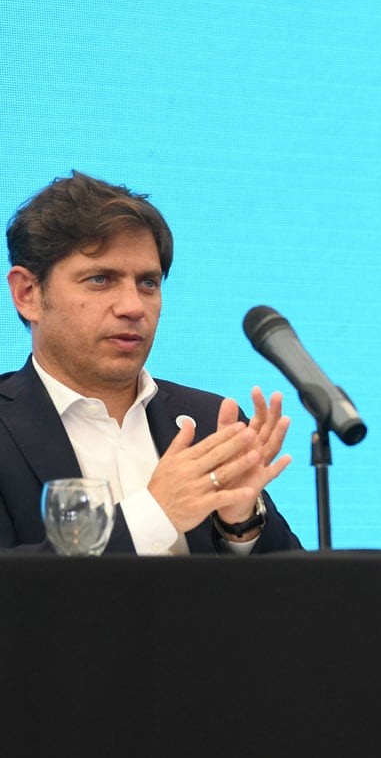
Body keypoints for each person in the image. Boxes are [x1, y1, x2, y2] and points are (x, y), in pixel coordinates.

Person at [0, 170, 301, 554]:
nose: (133, 307)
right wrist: (154, 514)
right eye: (100, 279)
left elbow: (294, 600)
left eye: (148, 283)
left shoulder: (211, 423)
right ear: (27, 293)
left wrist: (240, 522)